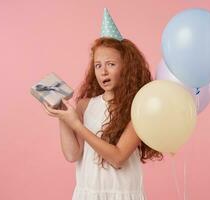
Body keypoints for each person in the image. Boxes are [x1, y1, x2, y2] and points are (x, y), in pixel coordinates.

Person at [42, 8, 163, 200]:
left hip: (122, 194)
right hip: (88, 194)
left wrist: (76, 125)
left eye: (111, 64)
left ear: (127, 67)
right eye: (98, 65)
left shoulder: (138, 106)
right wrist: (62, 115)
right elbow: (73, 155)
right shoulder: (84, 105)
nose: (103, 72)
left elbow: (118, 157)